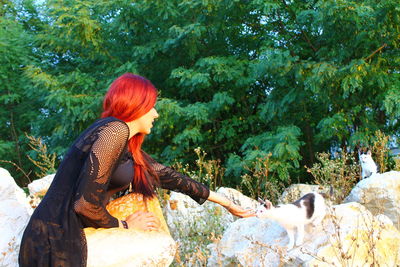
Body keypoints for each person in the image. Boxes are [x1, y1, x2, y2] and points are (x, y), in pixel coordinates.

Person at [18, 73, 254, 267]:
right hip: (55, 242)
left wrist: (226, 202)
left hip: (65, 233)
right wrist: (125, 225)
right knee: (155, 239)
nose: (156, 114)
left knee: (143, 197)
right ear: (137, 104)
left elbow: (168, 176)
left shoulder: (122, 142)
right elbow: (84, 204)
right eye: (152, 106)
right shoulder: (114, 130)